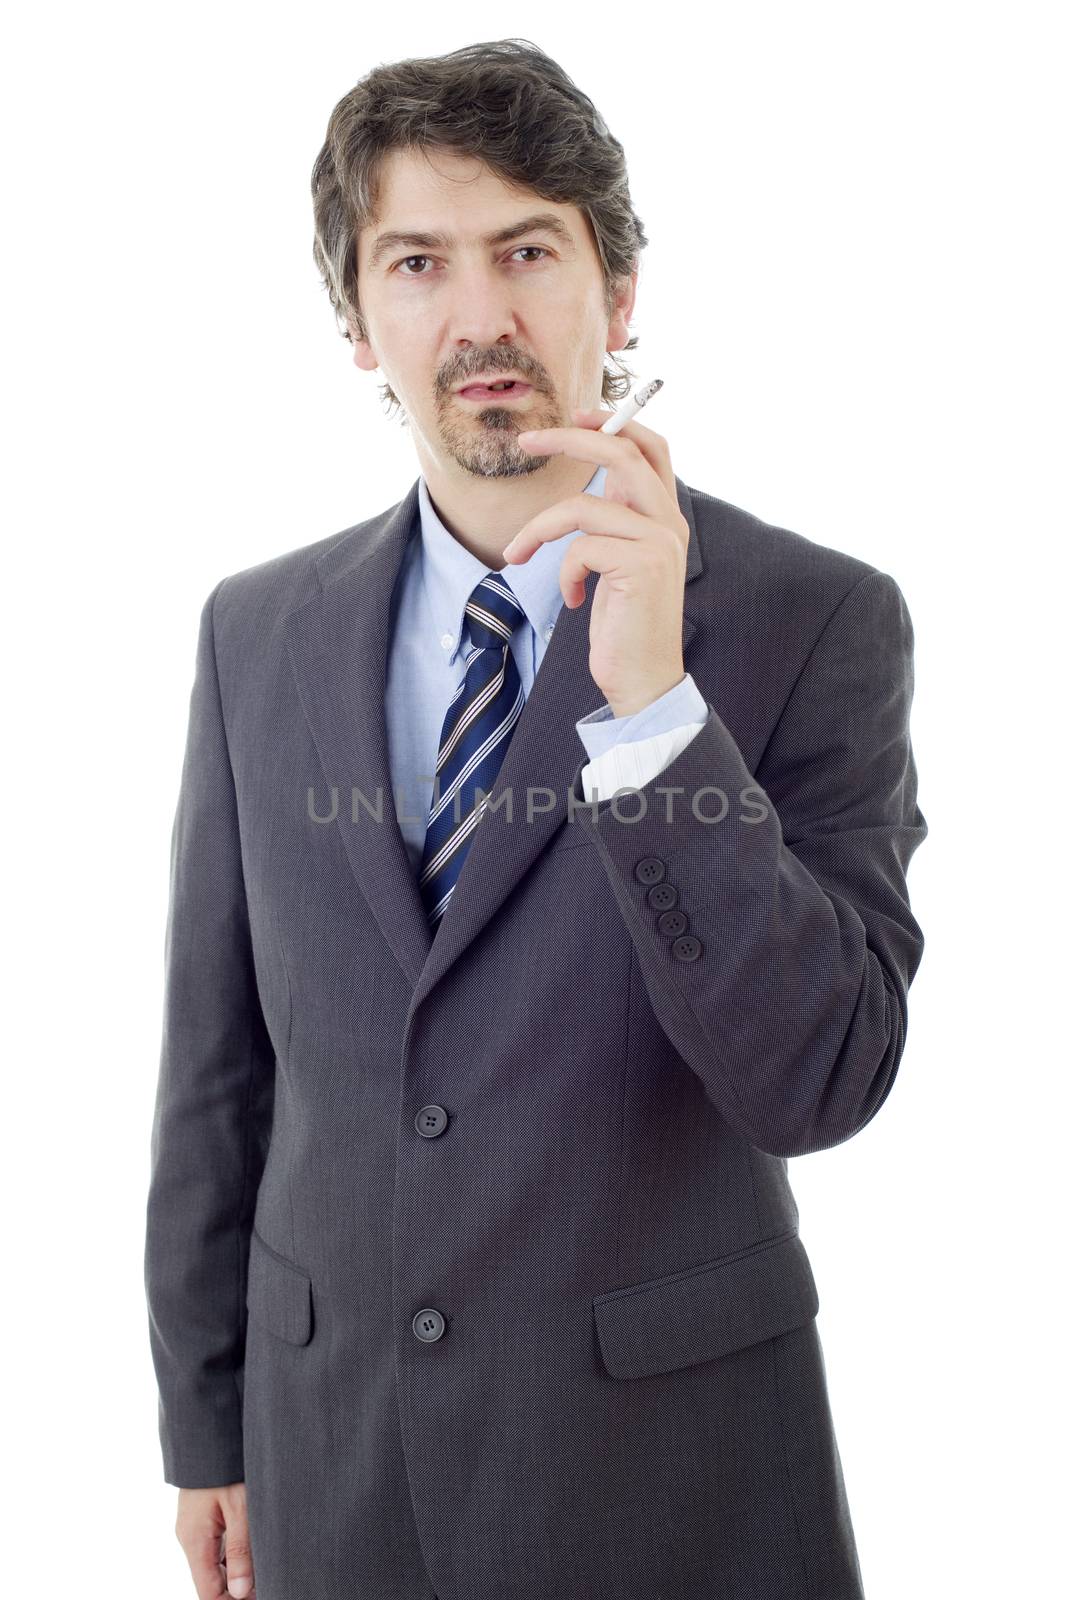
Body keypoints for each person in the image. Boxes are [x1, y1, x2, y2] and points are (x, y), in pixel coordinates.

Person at [144, 37, 928, 1600]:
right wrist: (204, 1415)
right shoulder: (259, 632)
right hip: (333, 1457)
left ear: (616, 292)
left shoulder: (815, 620)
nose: (480, 315)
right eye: (418, 261)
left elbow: (821, 1077)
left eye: (528, 251)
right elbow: (220, 1063)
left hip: (669, 1481)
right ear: (359, 323)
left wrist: (649, 714)